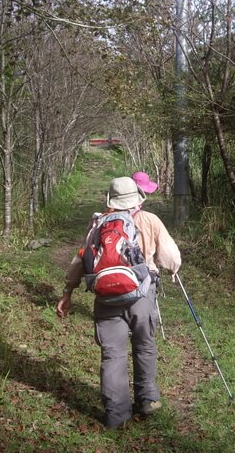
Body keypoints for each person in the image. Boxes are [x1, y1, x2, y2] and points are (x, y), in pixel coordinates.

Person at [56, 177, 181, 430]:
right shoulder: (149, 220)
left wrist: (68, 292)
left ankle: (116, 416)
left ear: (110, 199)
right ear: (137, 197)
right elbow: (170, 258)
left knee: (112, 355)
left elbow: (80, 260)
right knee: (144, 346)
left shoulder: (98, 223)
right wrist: (170, 269)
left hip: (106, 298)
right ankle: (147, 401)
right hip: (142, 295)